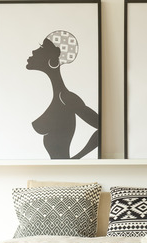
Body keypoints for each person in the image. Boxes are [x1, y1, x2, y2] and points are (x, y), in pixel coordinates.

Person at [26, 30, 99, 159]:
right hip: (54, 172)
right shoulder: (54, 95)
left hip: (63, 171)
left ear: (53, 57)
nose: (34, 51)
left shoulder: (65, 97)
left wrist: (75, 159)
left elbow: (102, 128)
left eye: (42, 47)